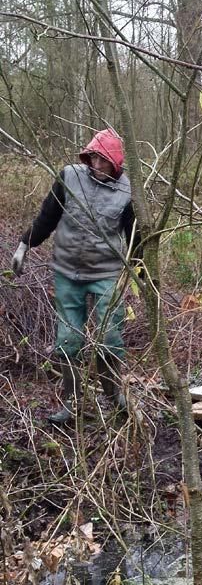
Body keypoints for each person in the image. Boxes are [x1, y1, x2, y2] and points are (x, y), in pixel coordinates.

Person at [11, 128, 140, 424]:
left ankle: (113, 396)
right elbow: (47, 216)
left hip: (107, 272)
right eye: (92, 159)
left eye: (103, 161)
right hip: (68, 271)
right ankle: (71, 405)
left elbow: (136, 236)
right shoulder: (70, 176)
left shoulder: (127, 192)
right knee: (68, 340)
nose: (96, 166)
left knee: (109, 337)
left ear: (116, 163)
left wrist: (142, 274)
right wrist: (24, 245)